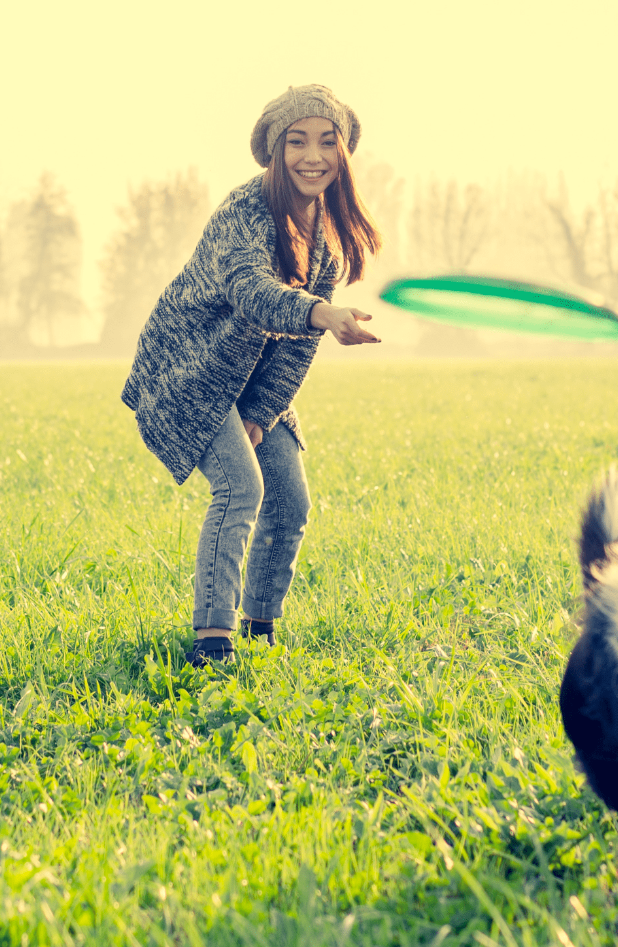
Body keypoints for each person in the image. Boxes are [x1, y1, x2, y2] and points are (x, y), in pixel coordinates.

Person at [120, 84, 382, 667]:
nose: (312, 156)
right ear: (273, 149)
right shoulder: (243, 212)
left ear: (343, 153)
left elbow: (293, 354)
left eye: (327, 142)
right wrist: (322, 313)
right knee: (241, 487)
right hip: (189, 374)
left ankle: (259, 627)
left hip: (250, 384)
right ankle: (211, 642)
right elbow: (251, 292)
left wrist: (261, 414)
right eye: (297, 141)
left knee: (289, 498)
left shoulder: (326, 249)